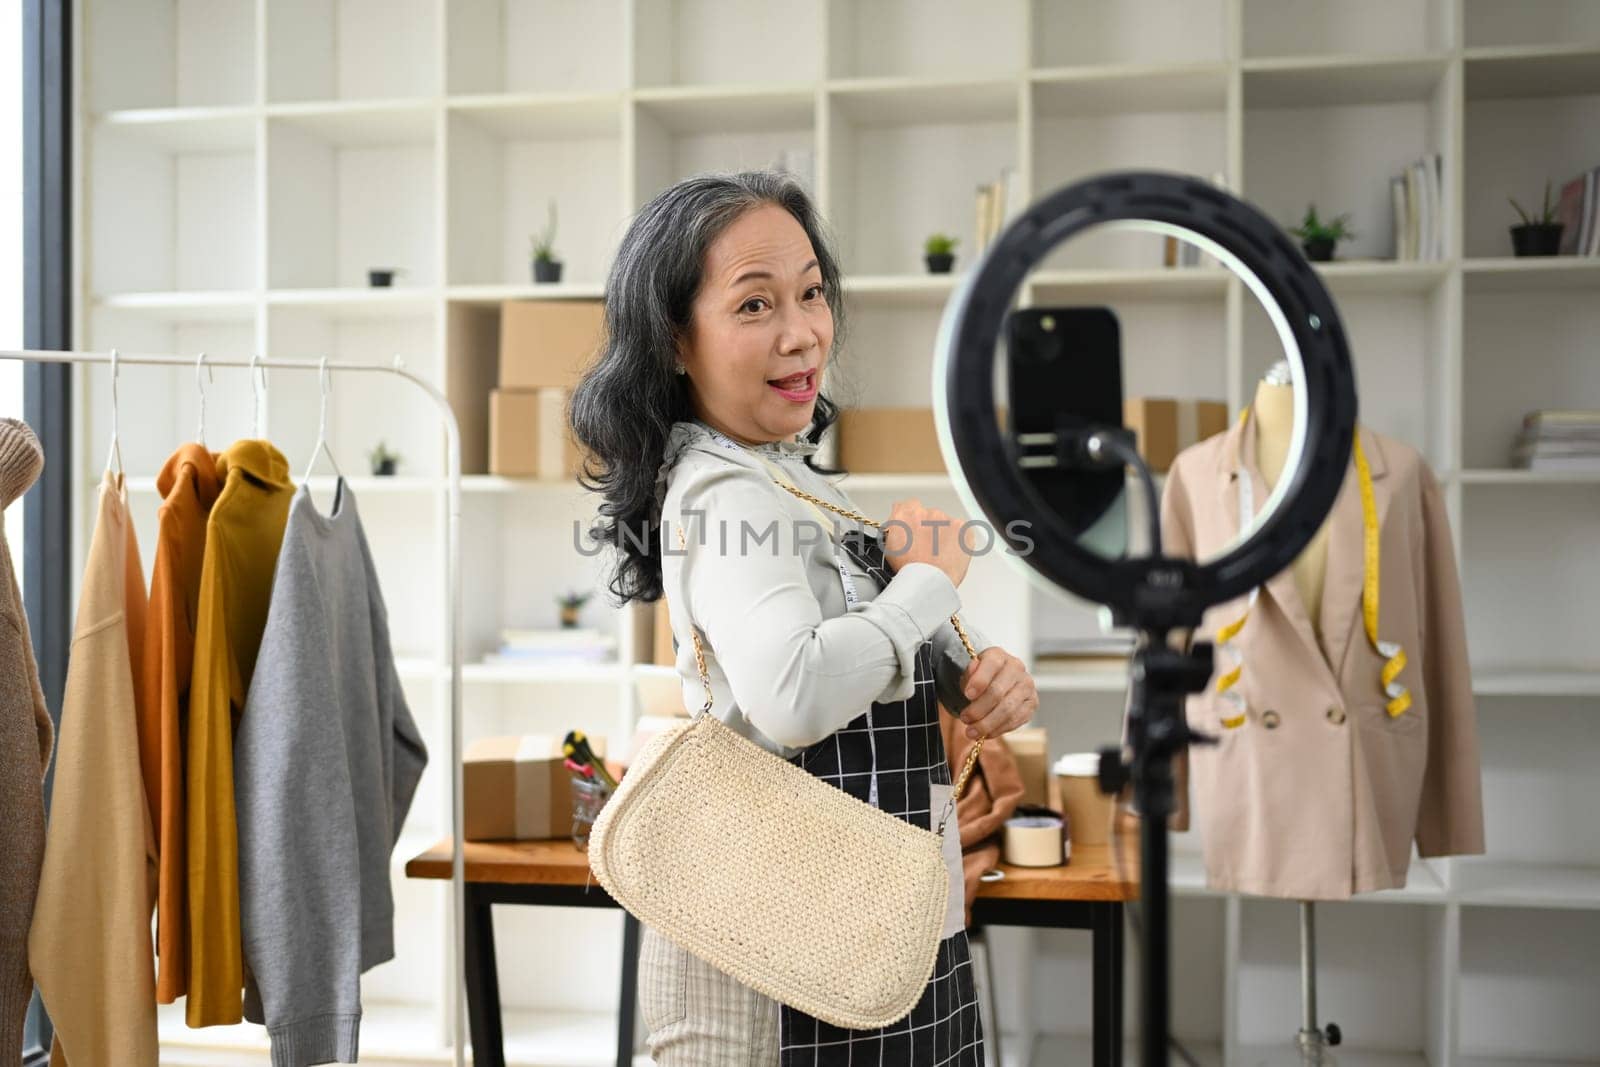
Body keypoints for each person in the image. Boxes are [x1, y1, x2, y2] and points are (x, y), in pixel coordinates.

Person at [569, 170, 1038, 1066]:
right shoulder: (721, 486)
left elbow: (847, 657)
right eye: (754, 305)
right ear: (675, 340)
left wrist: (965, 675)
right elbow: (791, 693)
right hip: (797, 945)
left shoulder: (788, 475)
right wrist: (928, 586)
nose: (802, 332)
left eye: (812, 292)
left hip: (865, 917)